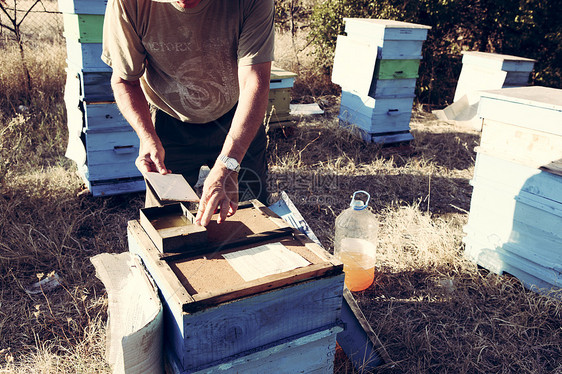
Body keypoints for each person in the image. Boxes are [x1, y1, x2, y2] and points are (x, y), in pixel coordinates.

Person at [101, 0, 274, 226]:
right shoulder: (128, 3)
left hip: (238, 117)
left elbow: (254, 82)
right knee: (165, 223)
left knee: (254, 217)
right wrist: (147, 137)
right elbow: (125, 80)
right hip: (167, 123)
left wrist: (229, 163)